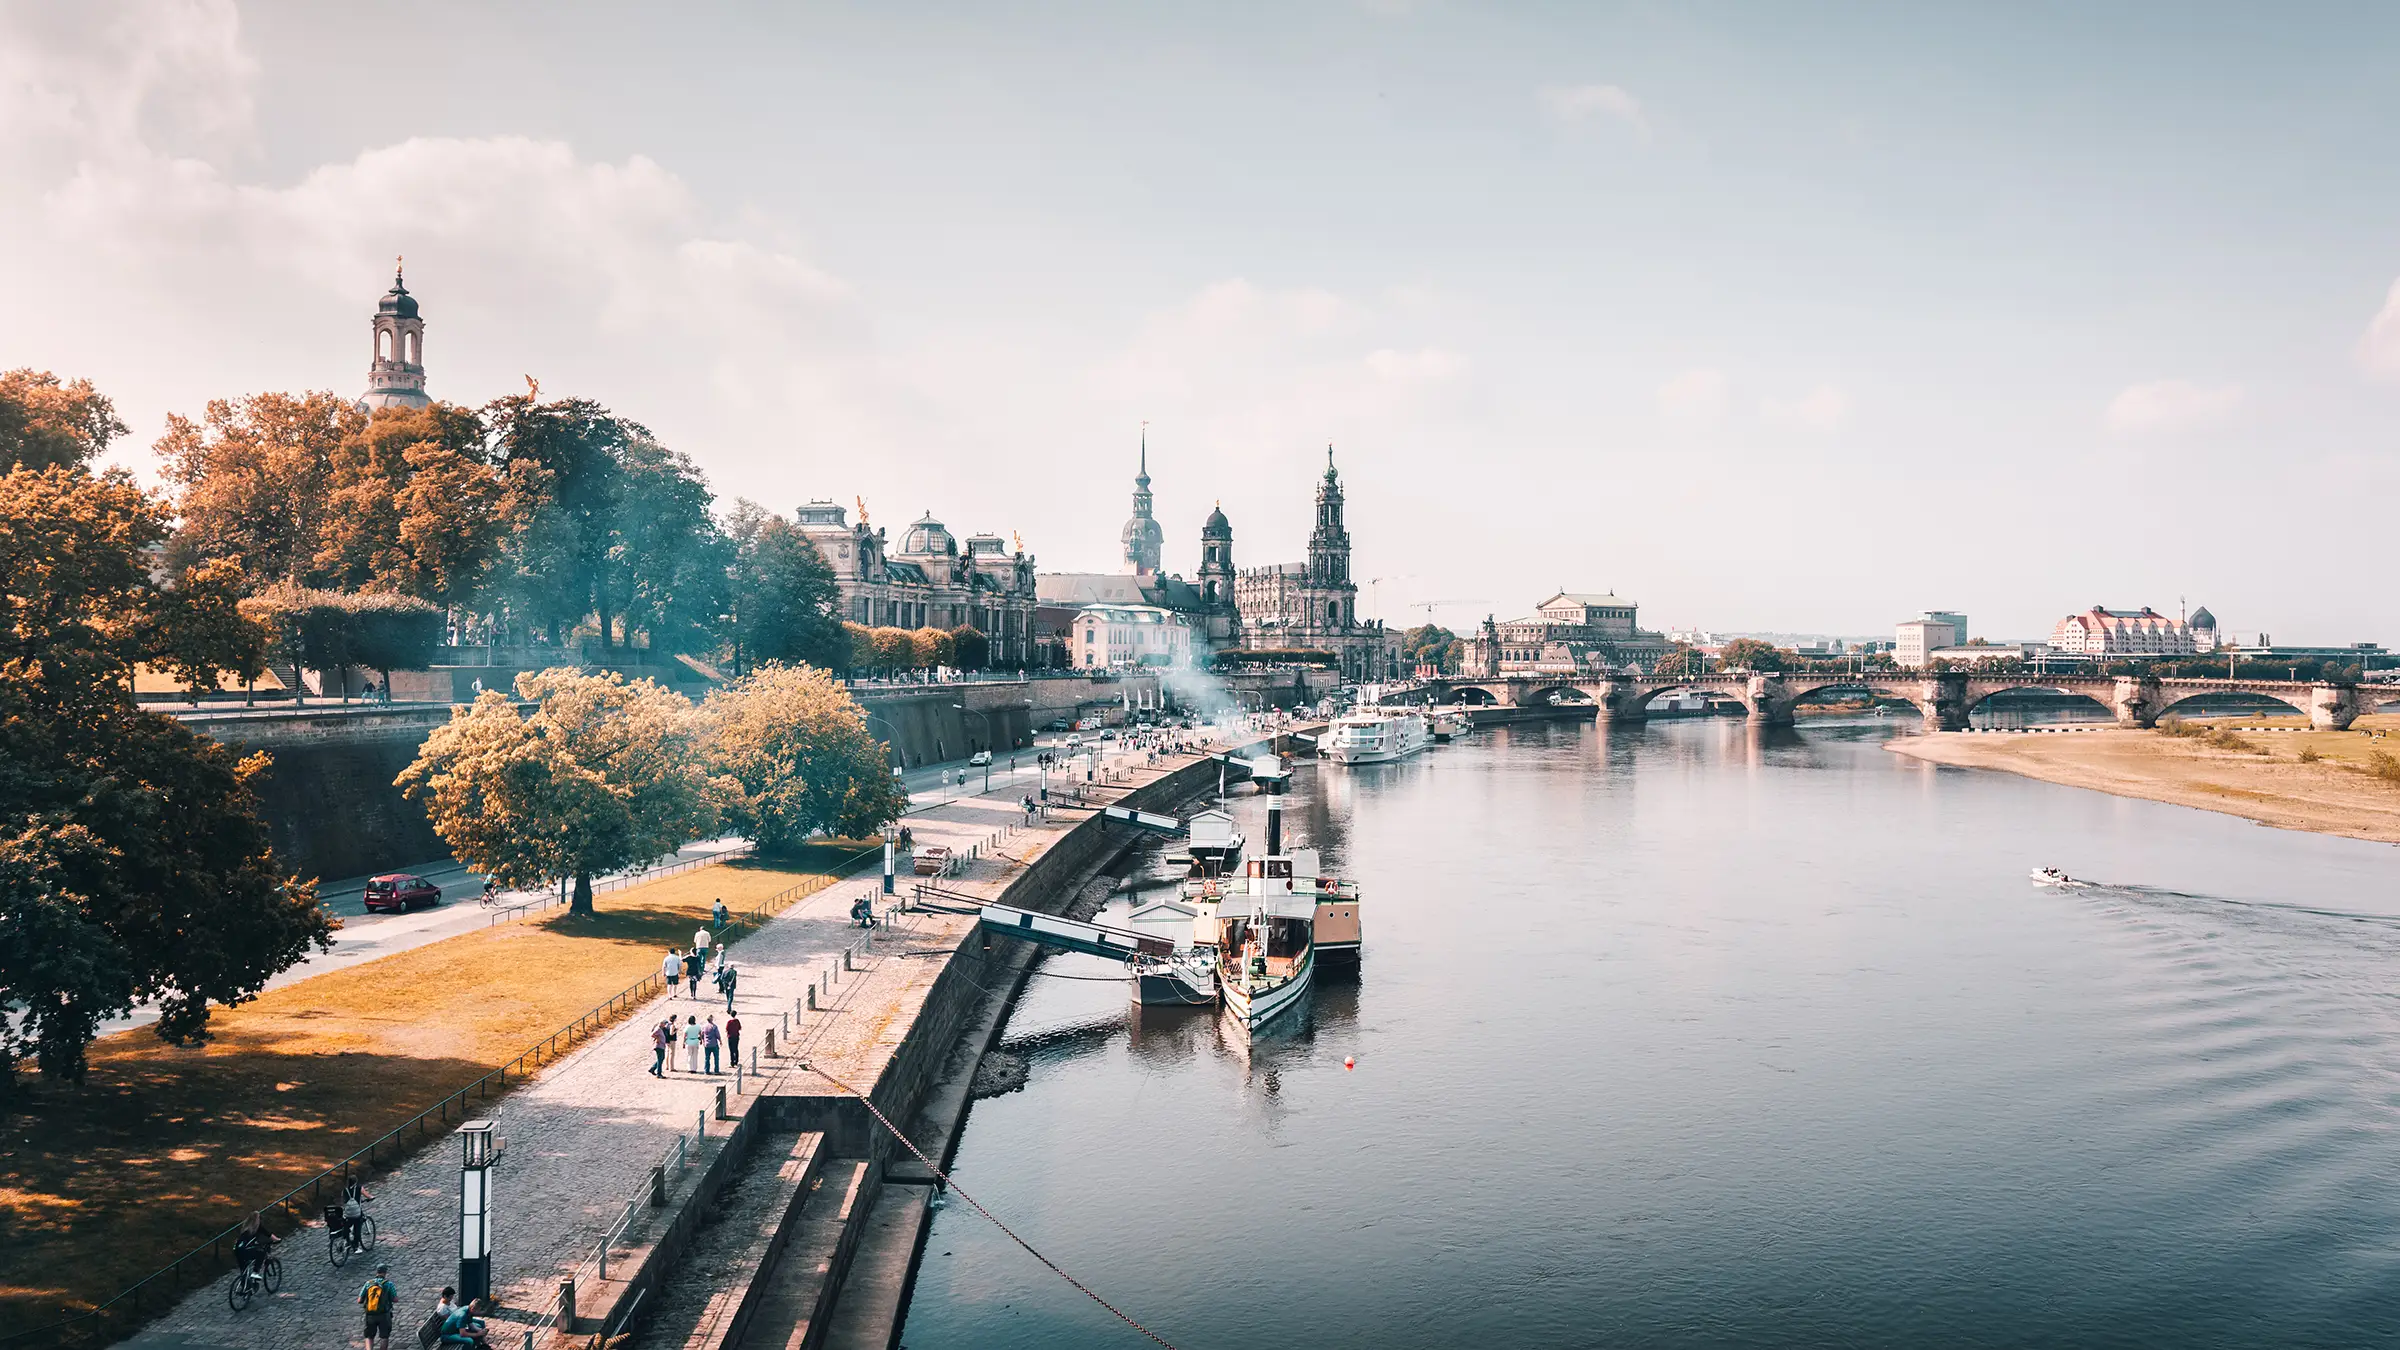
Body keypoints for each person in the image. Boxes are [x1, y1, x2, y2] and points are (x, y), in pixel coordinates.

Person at [358, 1264, 399, 1350]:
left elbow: (359, 1300)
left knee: (369, 1336)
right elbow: (395, 1299)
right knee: (384, 1336)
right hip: (384, 1314)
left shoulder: (368, 1283)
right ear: (385, 1272)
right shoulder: (389, 1284)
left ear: (376, 1272)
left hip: (370, 1314)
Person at [233, 1213, 276, 1279]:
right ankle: (255, 1272)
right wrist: (278, 1239)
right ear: (256, 1220)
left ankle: (245, 1286)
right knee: (261, 1253)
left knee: (244, 1271)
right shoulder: (256, 1228)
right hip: (245, 1251)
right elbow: (268, 1234)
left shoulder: (244, 1228)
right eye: (259, 1218)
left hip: (237, 1250)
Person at [340, 1175, 375, 1251]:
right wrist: (371, 1197)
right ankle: (355, 1247)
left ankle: (347, 1239)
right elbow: (367, 1195)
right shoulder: (359, 1188)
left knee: (347, 1225)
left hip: (348, 1212)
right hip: (356, 1212)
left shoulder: (345, 1190)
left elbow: (344, 1199)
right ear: (356, 1181)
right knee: (357, 1228)